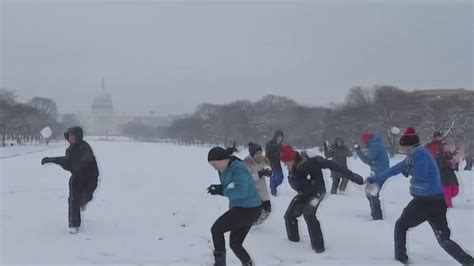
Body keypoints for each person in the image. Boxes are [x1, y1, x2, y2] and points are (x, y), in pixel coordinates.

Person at [366, 127, 474, 265]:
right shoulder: (415, 155)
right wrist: (376, 178)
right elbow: (396, 168)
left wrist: (408, 169)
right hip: (437, 201)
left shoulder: (421, 155)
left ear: (410, 145)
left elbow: (421, 173)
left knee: (401, 225)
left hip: (425, 202)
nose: (403, 149)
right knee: (443, 239)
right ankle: (468, 262)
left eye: (404, 146)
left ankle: (400, 259)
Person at [280, 144, 363, 253]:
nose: (285, 165)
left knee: (309, 214)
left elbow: (332, 165)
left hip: (317, 193)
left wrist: (352, 176)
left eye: (286, 162)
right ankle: (293, 243)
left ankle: (318, 247)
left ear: (292, 158)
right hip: (304, 193)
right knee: (289, 216)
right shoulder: (293, 166)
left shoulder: (310, 161)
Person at [207, 146, 262, 266]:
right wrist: (219, 187)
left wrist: (222, 191)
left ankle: (220, 264)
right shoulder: (224, 169)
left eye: (214, 164)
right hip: (246, 208)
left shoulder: (238, 169)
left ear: (222, 159)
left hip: (248, 209)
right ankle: (248, 264)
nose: (214, 167)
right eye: (212, 165)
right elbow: (231, 185)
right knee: (235, 243)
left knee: (216, 229)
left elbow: (241, 191)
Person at [41, 126, 99, 234]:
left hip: (90, 178)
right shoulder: (70, 150)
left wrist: (72, 164)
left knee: (86, 197)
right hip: (77, 178)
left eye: (73, 136)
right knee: (73, 200)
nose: (71, 138)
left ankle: (83, 202)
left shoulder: (85, 147)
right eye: (69, 136)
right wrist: (52, 160)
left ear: (78, 136)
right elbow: (68, 163)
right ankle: (74, 225)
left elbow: (78, 163)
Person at [354, 132, 390, 220]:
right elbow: (370, 160)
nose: (363, 143)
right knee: (369, 192)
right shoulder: (376, 144)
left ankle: (377, 217)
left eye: (363, 141)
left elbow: (367, 159)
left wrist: (358, 150)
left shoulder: (374, 146)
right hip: (380, 172)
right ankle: (375, 213)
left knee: (372, 193)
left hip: (380, 173)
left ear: (367, 140)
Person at [243, 142, 272, 225]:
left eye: (260, 153)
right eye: (256, 154)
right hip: (251, 192)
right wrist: (259, 174)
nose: (259, 155)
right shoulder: (246, 163)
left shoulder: (264, 161)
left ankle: (254, 224)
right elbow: (245, 178)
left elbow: (268, 168)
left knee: (267, 210)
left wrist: (269, 172)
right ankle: (249, 223)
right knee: (253, 210)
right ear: (252, 154)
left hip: (262, 191)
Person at [439, 143, 460, 208]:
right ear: (442, 149)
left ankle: (444, 200)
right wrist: (450, 163)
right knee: (447, 192)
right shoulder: (439, 156)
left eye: (448, 147)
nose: (447, 149)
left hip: (451, 176)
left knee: (455, 191)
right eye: (445, 147)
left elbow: (456, 168)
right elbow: (442, 165)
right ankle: (448, 205)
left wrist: (456, 163)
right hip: (444, 176)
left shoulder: (450, 155)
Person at [265, 129, 285, 196]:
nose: (280, 138)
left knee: (281, 178)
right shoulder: (269, 143)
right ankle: (273, 190)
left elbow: (282, 153)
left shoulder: (280, 145)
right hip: (271, 163)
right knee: (274, 177)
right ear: (276, 136)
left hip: (278, 163)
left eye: (281, 137)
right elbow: (267, 155)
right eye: (279, 136)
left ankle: (273, 186)